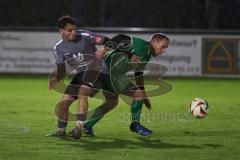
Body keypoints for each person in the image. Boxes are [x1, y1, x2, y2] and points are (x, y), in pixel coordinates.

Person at [83, 33, 169, 136]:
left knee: (112, 103)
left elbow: (138, 73)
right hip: (111, 72)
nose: (163, 51)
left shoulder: (147, 54)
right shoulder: (141, 45)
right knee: (138, 95)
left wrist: (143, 93)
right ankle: (135, 125)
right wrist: (104, 49)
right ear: (154, 42)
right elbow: (121, 37)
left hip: (111, 74)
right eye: (163, 46)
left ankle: (87, 126)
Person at [47, 15, 111, 138]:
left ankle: (78, 128)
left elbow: (108, 41)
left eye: (75, 29)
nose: (74, 32)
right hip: (81, 74)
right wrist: (54, 79)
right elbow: (61, 68)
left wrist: (104, 49)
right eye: (70, 30)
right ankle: (61, 131)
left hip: (97, 70)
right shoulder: (58, 47)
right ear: (61, 30)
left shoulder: (86, 36)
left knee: (83, 93)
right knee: (63, 103)